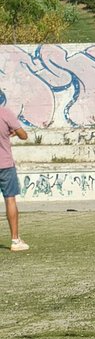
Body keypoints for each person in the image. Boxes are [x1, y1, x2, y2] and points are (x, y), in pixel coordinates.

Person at [0, 104, 29, 251]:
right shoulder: (5, 113)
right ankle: (15, 240)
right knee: (10, 199)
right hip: (5, 164)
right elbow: (24, 135)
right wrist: (11, 132)